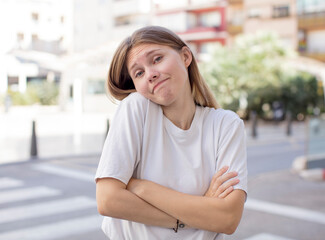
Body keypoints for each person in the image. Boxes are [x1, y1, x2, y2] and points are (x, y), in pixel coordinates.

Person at [95, 26, 247, 240]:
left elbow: (228, 219)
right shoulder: (136, 108)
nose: (151, 74)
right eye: (139, 73)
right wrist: (194, 214)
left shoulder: (225, 125)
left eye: (157, 59)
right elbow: (108, 200)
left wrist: (142, 188)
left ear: (186, 56)